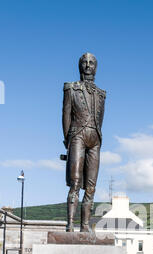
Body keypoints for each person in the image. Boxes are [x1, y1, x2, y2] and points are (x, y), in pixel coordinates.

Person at [62, 53, 106, 232]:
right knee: (75, 181)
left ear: (96, 67)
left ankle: (85, 225)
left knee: (91, 185)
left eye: (91, 63)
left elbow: (101, 119)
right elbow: (65, 115)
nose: (88, 65)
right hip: (77, 135)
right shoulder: (71, 88)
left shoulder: (101, 94)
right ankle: (71, 224)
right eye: (84, 62)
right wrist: (68, 139)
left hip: (95, 139)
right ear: (80, 66)